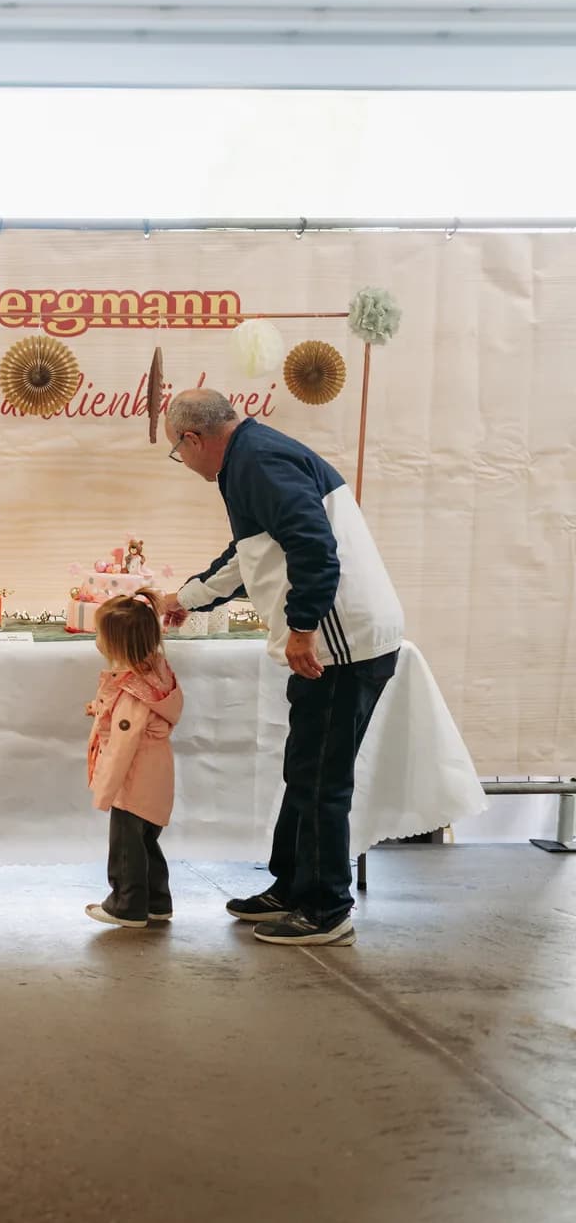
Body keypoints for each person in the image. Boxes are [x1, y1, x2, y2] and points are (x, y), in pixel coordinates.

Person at [160, 389, 405, 947]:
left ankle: (326, 908)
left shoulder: (257, 461)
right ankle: (293, 885)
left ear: (193, 439)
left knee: (321, 778)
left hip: (340, 644)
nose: (184, 460)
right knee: (304, 768)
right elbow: (249, 556)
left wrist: (302, 626)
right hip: (340, 638)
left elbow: (313, 544)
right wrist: (183, 598)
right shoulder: (252, 456)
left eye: (178, 450)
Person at [84, 592, 185, 929]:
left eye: (100, 634)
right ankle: (156, 901)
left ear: (118, 644)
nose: (97, 640)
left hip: (133, 780)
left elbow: (123, 746)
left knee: (126, 847)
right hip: (156, 775)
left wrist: (106, 791)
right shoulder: (154, 675)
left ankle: (126, 905)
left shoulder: (132, 693)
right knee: (146, 842)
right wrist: (101, 710)